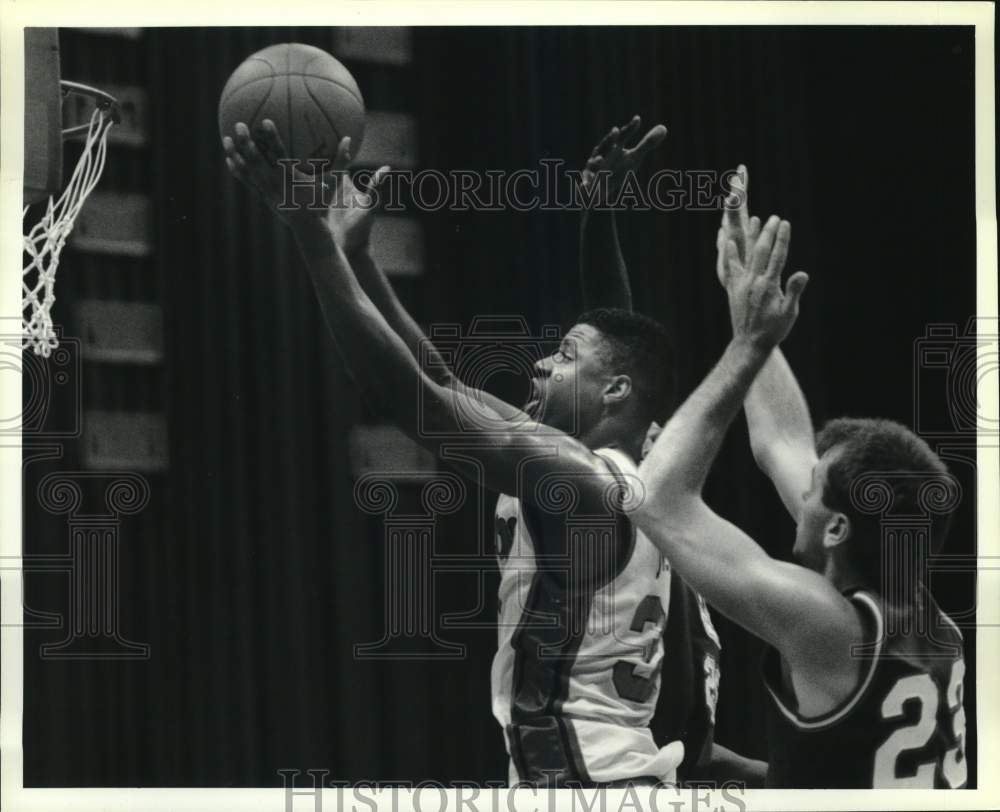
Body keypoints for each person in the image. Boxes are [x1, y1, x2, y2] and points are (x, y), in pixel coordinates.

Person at [223, 115, 684, 787]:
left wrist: (311, 239)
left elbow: (417, 401)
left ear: (613, 392)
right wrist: (359, 261)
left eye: (561, 356)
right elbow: (441, 378)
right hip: (599, 775)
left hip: (589, 783)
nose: (537, 365)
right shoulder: (617, 468)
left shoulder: (581, 483)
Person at [634, 179, 968, 788]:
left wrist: (747, 347)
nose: (800, 491)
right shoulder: (928, 618)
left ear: (839, 525)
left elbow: (654, 498)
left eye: (813, 489)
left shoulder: (827, 626)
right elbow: (781, 443)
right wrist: (746, 305)